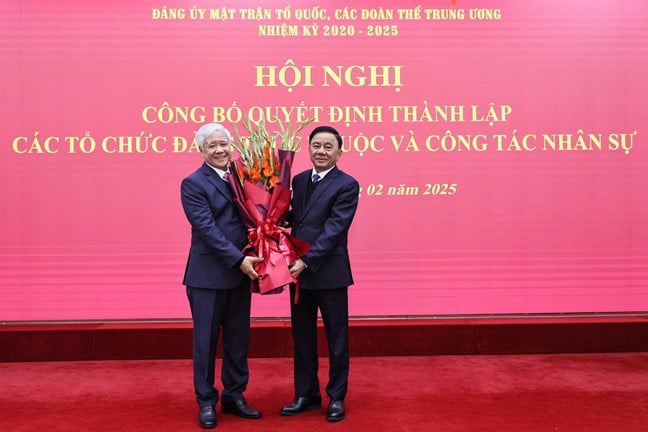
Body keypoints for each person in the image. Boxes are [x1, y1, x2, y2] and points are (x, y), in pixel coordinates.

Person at [181, 123, 263, 429]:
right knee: (206, 341)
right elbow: (208, 230)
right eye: (212, 145)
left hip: (241, 274)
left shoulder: (242, 178)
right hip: (208, 276)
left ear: (232, 146)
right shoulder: (193, 183)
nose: (219, 150)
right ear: (202, 151)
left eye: (224, 144)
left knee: (238, 338)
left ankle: (234, 394)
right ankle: (205, 401)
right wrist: (239, 259)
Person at [280, 125, 360, 422]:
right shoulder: (299, 181)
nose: (321, 151)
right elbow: (292, 218)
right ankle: (306, 394)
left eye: (328, 146)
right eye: (316, 145)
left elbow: (335, 230)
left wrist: (307, 260)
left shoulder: (347, 184)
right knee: (302, 337)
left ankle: (336, 396)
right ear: (309, 149)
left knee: (336, 338)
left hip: (328, 271)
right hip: (298, 272)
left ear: (339, 152)